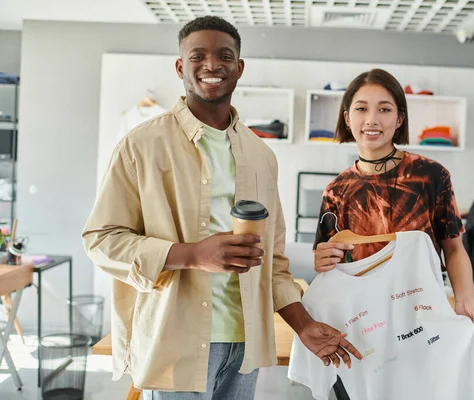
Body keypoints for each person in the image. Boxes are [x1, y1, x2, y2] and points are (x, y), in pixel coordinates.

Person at [82, 16, 361, 400]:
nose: (211, 64)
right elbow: (101, 239)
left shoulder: (261, 155)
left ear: (239, 67)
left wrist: (304, 324)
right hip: (175, 340)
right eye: (198, 56)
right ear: (181, 66)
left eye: (224, 56)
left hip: (245, 344)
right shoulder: (141, 145)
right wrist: (193, 255)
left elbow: (274, 264)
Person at [313, 68, 474, 328]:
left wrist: (466, 299)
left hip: (422, 314)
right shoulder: (336, 191)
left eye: (384, 109)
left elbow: (454, 248)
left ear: (400, 118)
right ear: (347, 118)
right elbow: (328, 263)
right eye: (361, 109)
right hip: (362, 319)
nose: (372, 120)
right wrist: (321, 259)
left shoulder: (431, 176)